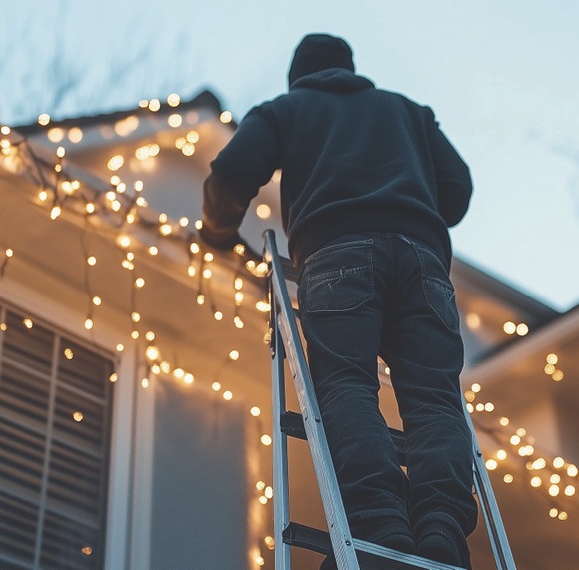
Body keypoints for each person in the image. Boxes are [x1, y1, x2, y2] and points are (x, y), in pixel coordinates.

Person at [200, 33, 477, 568]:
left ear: (297, 77)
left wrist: (215, 235)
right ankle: (442, 535)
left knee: (346, 384)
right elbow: (458, 191)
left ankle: (379, 529)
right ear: (351, 70)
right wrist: (405, 201)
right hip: (423, 263)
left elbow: (230, 174)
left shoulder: (288, 108)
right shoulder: (408, 113)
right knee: (435, 402)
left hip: (337, 255)